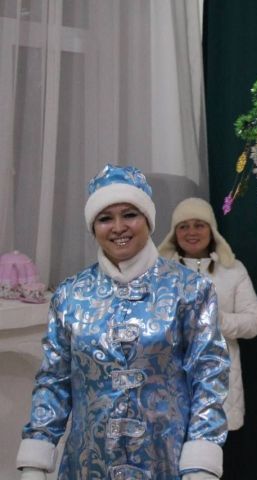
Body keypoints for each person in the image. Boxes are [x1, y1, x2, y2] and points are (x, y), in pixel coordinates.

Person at [16, 165, 230, 480]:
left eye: (129, 214)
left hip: (166, 464)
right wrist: (36, 458)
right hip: (88, 465)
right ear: (93, 227)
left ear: (148, 219)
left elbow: (209, 377)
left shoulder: (190, 290)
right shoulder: (71, 295)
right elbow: (54, 381)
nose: (118, 227)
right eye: (105, 218)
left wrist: (201, 459)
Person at [158, 197, 257, 478]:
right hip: (170, 384)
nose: (191, 232)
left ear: (211, 230)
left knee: (210, 466)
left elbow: (254, 322)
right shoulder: (158, 272)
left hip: (219, 384)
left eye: (199, 225)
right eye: (184, 226)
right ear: (174, 232)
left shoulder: (233, 270)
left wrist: (217, 321)